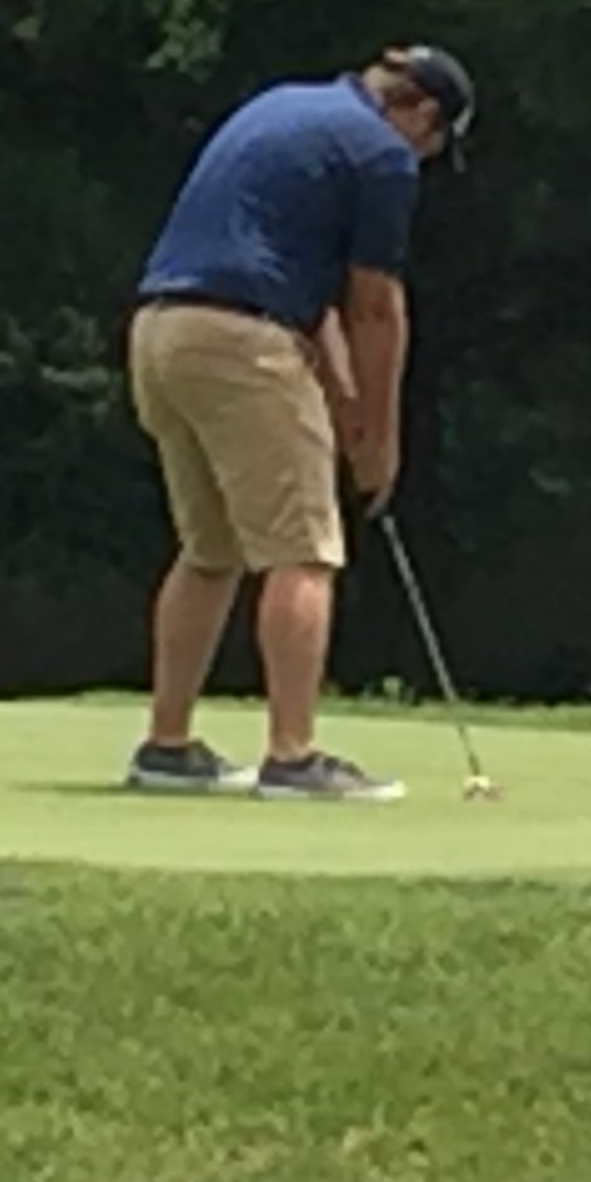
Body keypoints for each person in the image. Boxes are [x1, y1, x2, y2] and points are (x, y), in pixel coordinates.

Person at [123, 44, 475, 802]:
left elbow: (305, 284)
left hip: (161, 331)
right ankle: (293, 755)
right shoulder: (381, 152)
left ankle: (167, 744)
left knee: (210, 547)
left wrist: (345, 404)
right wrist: (380, 440)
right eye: (433, 142)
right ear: (419, 110)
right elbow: (375, 304)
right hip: (242, 340)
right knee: (304, 550)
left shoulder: (284, 102)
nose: (423, 157)